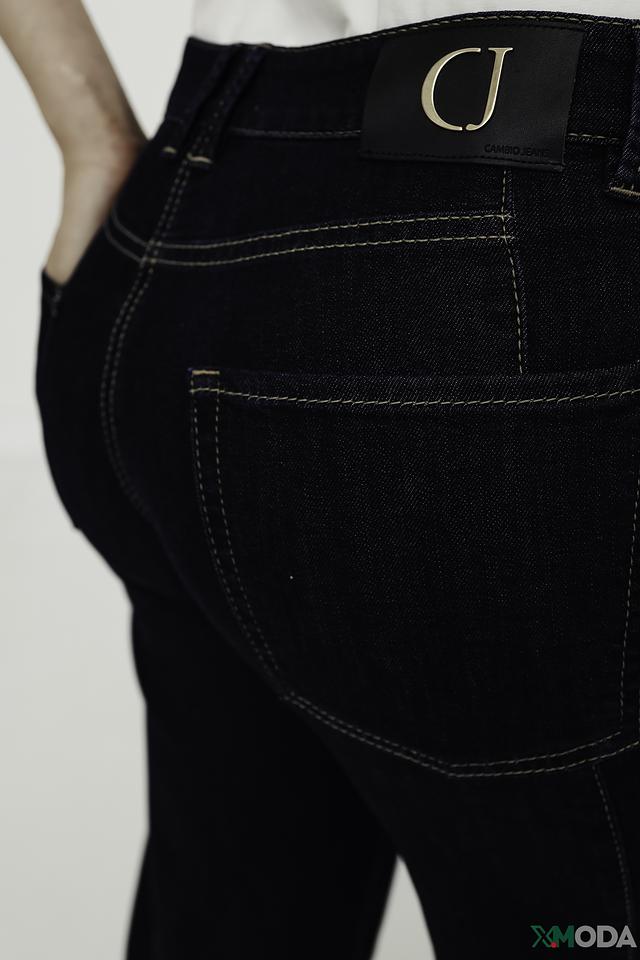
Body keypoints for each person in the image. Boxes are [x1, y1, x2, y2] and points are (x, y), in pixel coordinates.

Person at [2, 1, 640, 956]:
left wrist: (89, 138)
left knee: (234, 918)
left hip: (191, 212)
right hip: (518, 259)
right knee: (579, 920)